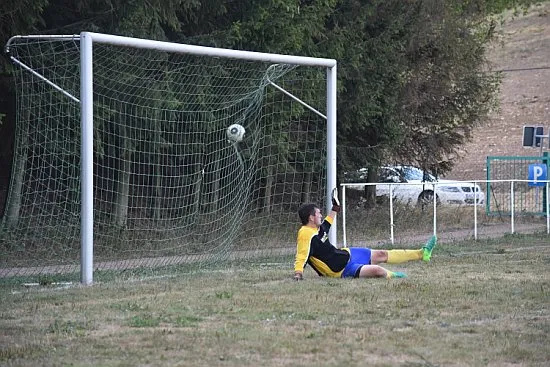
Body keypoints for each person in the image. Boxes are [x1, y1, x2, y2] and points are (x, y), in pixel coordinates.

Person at [293, 193, 437, 280]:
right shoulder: (305, 234)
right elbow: (302, 255)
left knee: (381, 253)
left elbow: (327, 223)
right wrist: (298, 273)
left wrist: (335, 208)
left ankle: (422, 253)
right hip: (340, 270)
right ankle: (395, 276)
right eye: (318, 213)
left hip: (346, 253)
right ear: (311, 218)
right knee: (378, 271)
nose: (320, 215)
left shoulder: (317, 229)